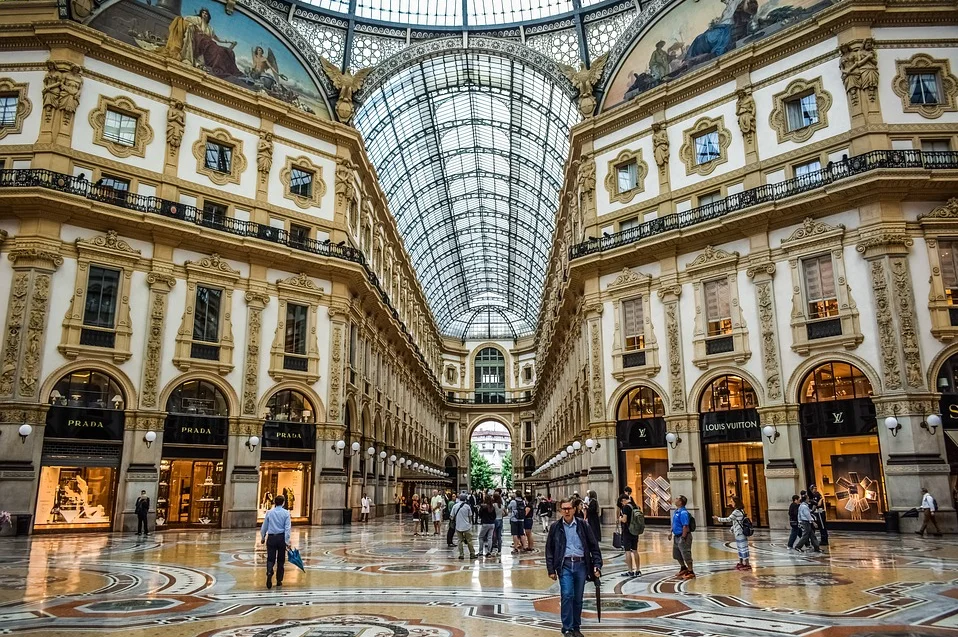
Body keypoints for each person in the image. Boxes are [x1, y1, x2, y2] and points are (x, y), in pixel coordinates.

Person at [546, 498, 603, 639]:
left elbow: (593, 546)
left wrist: (597, 564)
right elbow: (549, 549)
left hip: (581, 565)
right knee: (567, 595)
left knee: (578, 598)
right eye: (564, 508)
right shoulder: (555, 527)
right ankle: (567, 628)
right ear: (560, 511)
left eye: (569, 508)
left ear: (574, 509)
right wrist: (551, 569)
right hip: (564, 565)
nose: (566, 511)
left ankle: (576, 627)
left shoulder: (583, 525)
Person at [260, 494, 291, 589]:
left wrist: (263, 536)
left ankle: (269, 571)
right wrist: (287, 541)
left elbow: (264, 525)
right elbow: (287, 528)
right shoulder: (286, 513)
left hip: (271, 538)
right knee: (281, 560)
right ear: (283, 503)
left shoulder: (269, 512)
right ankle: (279, 580)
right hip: (281, 538)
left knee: (270, 558)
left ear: (274, 502)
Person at [715, 497, 750, 570]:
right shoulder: (742, 511)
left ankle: (746, 563)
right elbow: (737, 522)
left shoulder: (736, 512)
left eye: (732, 501)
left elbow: (728, 519)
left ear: (736, 502)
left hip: (739, 532)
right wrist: (732, 528)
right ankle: (741, 562)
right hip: (740, 531)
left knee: (742, 548)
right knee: (741, 547)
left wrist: (718, 518)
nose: (731, 503)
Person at [669, 495, 694, 579]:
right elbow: (674, 523)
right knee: (677, 554)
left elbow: (685, 526)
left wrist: (683, 538)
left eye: (677, 498)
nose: (675, 500)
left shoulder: (683, 513)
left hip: (684, 536)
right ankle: (683, 567)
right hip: (676, 536)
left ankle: (690, 571)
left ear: (680, 502)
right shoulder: (676, 511)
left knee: (685, 553)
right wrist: (670, 532)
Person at [618, 494, 640, 577]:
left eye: (621, 502)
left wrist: (619, 519)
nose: (622, 504)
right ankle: (638, 570)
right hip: (635, 531)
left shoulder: (626, 507)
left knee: (627, 551)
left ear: (623, 500)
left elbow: (624, 519)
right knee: (635, 550)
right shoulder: (636, 506)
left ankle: (630, 570)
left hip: (628, 531)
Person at [451, 493, 477, 560]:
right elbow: (470, 516)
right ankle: (472, 554)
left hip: (458, 526)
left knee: (460, 541)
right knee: (469, 541)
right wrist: (469, 523)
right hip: (466, 526)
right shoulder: (467, 506)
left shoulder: (455, 506)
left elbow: (451, 516)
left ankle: (461, 554)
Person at [492, 491, 506, 556]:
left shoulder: (493, 505)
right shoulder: (502, 506)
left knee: (493, 535)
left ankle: (493, 548)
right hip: (500, 520)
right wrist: (502, 515)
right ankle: (499, 550)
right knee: (499, 536)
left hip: (495, 520)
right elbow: (506, 513)